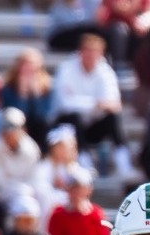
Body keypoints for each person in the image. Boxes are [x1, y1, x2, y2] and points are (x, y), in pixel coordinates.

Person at [52, 34, 134, 179]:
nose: (90, 55)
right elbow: (65, 103)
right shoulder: (66, 69)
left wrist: (84, 103)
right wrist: (96, 103)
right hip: (67, 126)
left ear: (101, 54)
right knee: (73, 118)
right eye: (87, 51)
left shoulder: (105, 71)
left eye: (94, 52)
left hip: (93, 127)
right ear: (80, 52)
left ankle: (124, 165)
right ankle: (84, 164)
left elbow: (113, 104)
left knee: (113, 118)